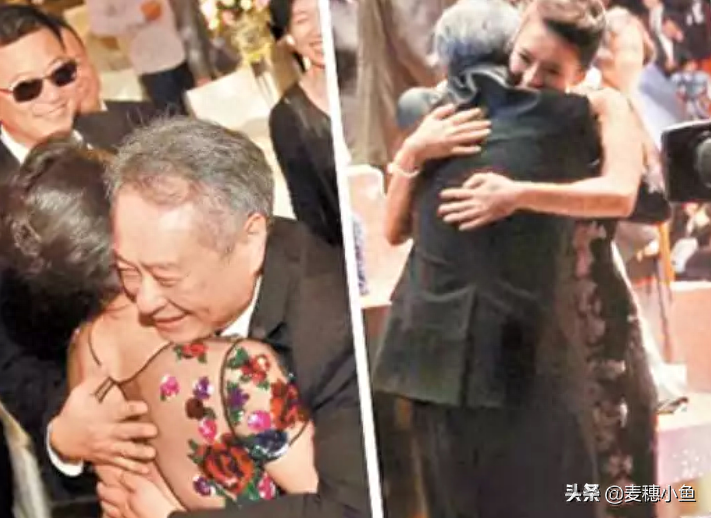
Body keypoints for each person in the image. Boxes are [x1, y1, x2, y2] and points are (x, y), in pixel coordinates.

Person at [388, 0, 657, 516]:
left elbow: (621, 194)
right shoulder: (480, 107)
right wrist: (413, 152)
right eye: (524, 58)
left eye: (551, 70)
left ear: (581, 71)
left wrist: (516, 195)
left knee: (619, 489)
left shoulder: (602, 108)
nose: (531, 78)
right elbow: (399, 228)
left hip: (593, 323)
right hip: (527, 341)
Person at [46, 117, 369, 518]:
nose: (144, 302)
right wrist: (62, 443)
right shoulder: (135, 302)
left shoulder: (334, 333)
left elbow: (351, 509)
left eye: (167, 277)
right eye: (127, 271)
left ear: (250, 241)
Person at [0, 6, 162, 513]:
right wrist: (63, 434)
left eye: (62, 73)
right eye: (27, 88)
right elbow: (9, 358)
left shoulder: (139, 126)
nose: (53, 95)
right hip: (108, 456)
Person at [268, 0, 341, 247]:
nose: (319, 28)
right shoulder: (288, 118)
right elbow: (310, 216)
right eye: (302, 19)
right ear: (288, 34)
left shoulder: (383, 83)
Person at [84, 0, 195, 115]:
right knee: (177, 120)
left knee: (201, 113)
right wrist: (139, 15)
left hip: (182, 53)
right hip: (153, 68)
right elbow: (98, 25)